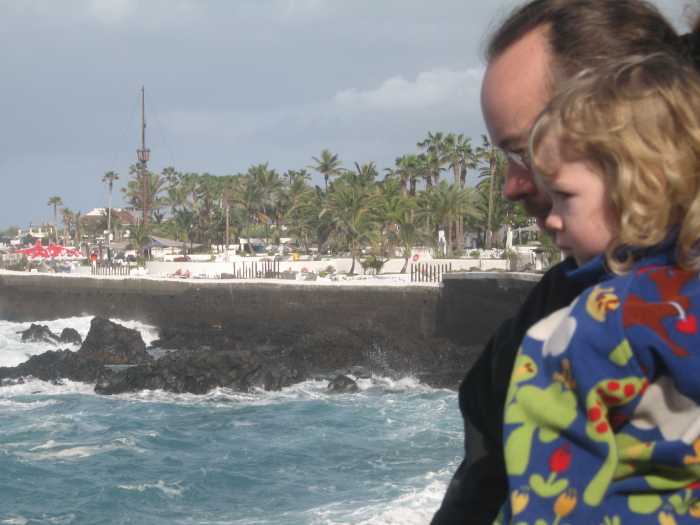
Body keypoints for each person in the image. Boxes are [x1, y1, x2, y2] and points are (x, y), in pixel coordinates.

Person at [431, 1, 700, 523]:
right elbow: (480, 492)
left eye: (528, 151)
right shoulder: (539, 324)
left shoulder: (570, 337)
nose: (511, 187)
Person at [498, 52, 700, 524]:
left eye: (565, 196)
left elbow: (547, 499)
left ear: (645, 185)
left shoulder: (583, 331)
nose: (551, 219)